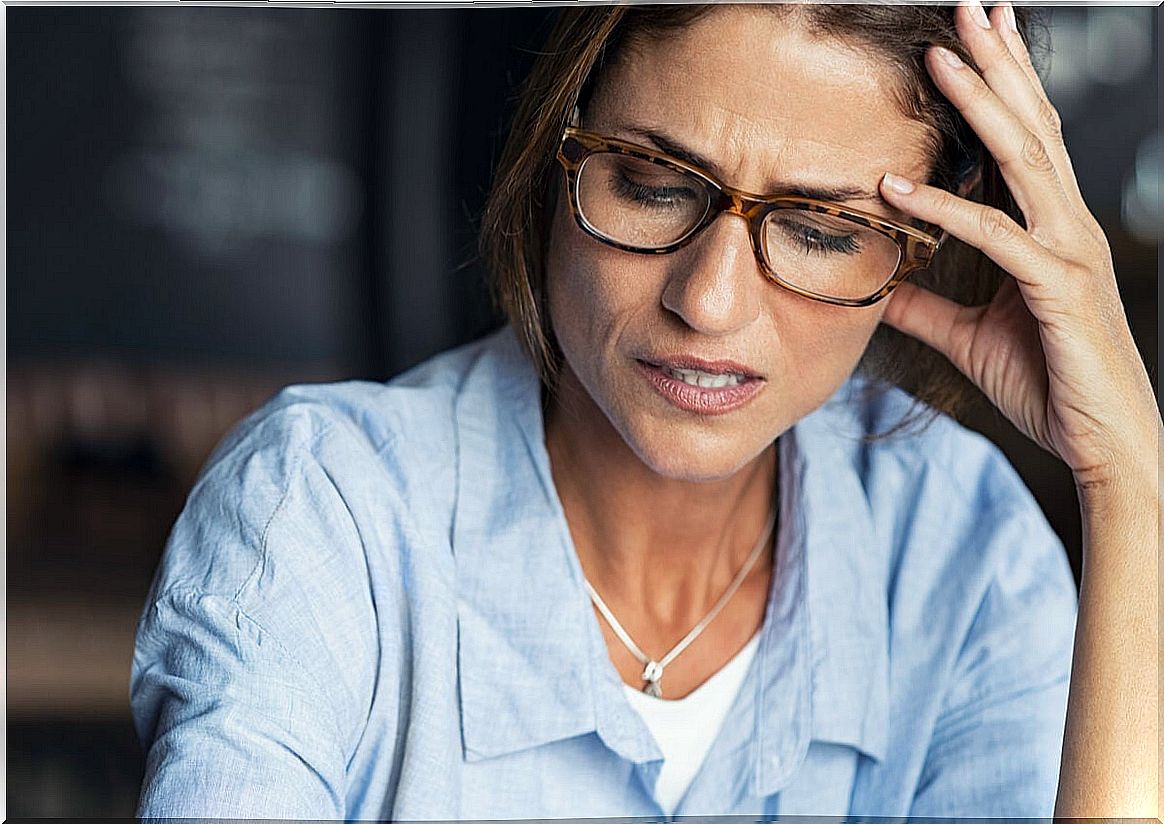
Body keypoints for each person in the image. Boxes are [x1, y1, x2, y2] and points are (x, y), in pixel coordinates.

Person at [131, 3, 1159, 819]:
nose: (707, 302)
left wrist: (1131, 490)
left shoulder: (959, 552)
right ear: (552, 149)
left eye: (819, 229)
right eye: (655, 183)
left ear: (918, 251)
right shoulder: (321, 517)